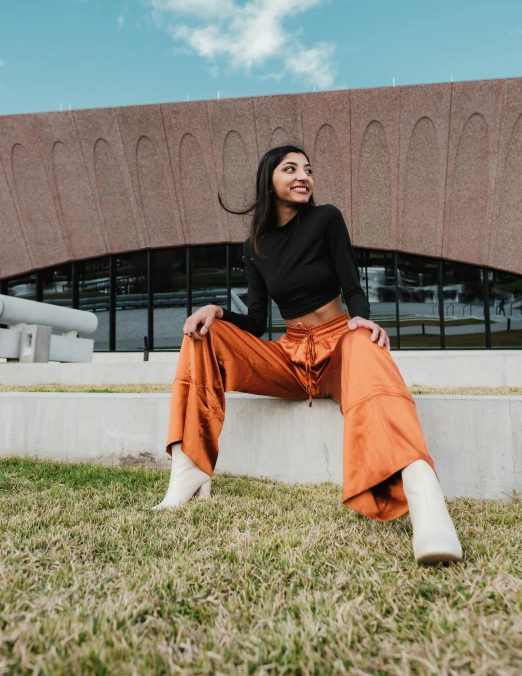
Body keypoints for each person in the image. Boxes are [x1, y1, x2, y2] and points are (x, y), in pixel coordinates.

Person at [154, 145, 463, 564]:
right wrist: (218, 310)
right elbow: (259, 321)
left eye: (308, 170)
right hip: (290, 355)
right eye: (291, 168)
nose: (303, 176)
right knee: (202, 335)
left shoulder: (326, 219)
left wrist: (363, 320)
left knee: (363, 342)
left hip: (340, 345)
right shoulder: (255, 245)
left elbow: (353, 286)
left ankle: (425, 496)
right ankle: (188, 470)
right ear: (269, 179)